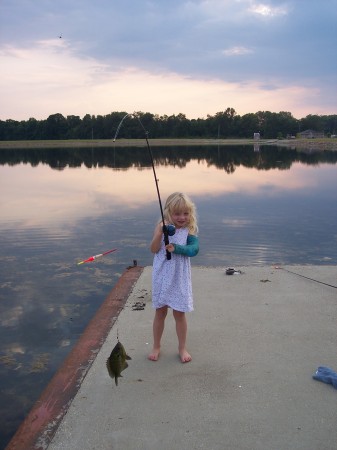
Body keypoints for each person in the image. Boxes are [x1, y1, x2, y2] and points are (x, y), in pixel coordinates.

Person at [148, 192, 199, 363]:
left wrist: (176, 248)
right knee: (160, 312)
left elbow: (194, 250)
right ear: (169, 212)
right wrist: (158, 234)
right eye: (177, 213)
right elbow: (154, 249)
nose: (182, 217)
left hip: (179, 278)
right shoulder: (162, 228)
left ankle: (182, 348)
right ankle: (156, 346)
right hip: (162, 275)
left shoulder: (189, 231)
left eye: (186, 213)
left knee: (179, 313)